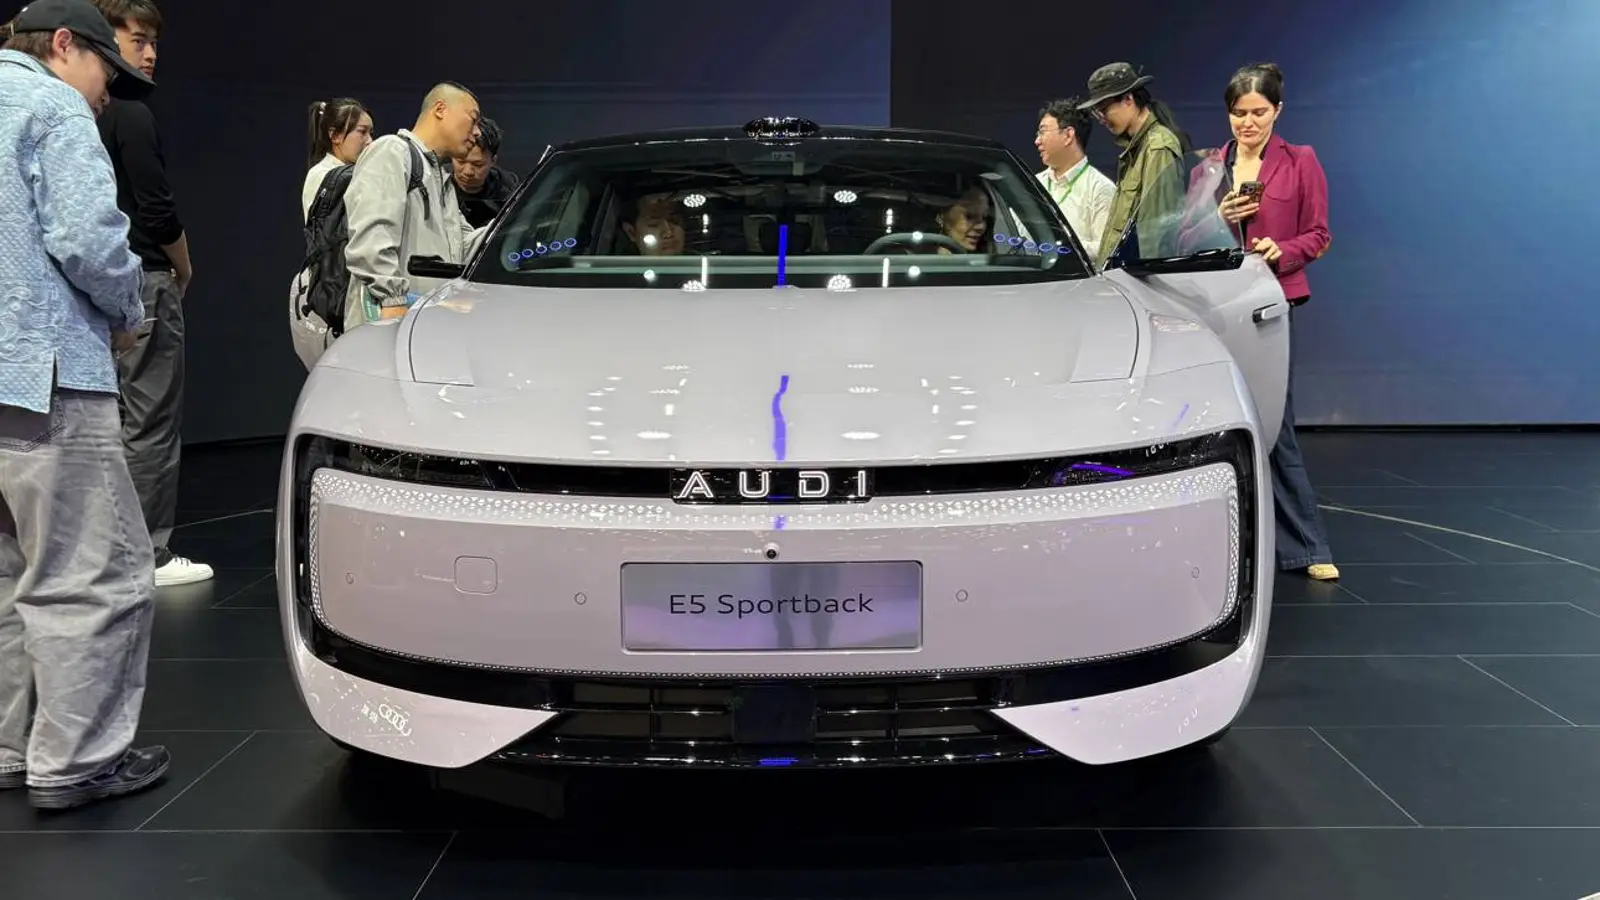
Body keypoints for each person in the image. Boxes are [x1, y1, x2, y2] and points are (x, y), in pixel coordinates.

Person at [0, 0, 172, 810]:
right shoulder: (52, 106)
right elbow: (91, 243)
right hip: (48, 378)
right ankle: (76, 760)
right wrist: (130, 310)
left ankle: (9, 748)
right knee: (92, 573)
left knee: (7, 576)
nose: (108, 93)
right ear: (64, 45)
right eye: (108, 70)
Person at [89, 0, 210, 587]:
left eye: (153, 41)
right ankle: (146, 556)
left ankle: (109, 550)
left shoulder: (78, 116)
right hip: (146, 279)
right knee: (150, 421)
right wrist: (183, 267)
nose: (151, 53)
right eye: (137, 39)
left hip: (96, 283)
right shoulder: (131, 115)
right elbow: (157, 211)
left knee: (110, 420)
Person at [1202, 62, 1338, 581]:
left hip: (1270, 305)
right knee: (1215, 424)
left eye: (1258, 112)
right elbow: (1183, 237)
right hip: (1215, 306)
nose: (1248, 122)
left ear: (1277, 111)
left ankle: (1308, 545)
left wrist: (1282, 250)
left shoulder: (1301, 161)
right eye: (1239, 113)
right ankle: (1228, 548)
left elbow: (1319, 234)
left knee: (1275, 423)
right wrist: (1217, 220)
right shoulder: (1209, 167)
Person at [342, 82, 481, 328]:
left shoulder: (441, 179)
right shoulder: (392, 151)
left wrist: (516, 227)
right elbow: (370, 238)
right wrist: (392, 299)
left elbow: (465, 248)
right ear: (440, 109)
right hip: (388, 325)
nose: (478, 132)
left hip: (423, 326)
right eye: (473, 119)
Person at [1076, 62, 1189, 265]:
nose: (1102, 119)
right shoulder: (1138, 148)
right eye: (1097, 113)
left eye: (1104, 110)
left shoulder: (1158, 147)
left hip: (1142, 277)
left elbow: (1159, 232)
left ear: (1128, 99)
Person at [1033, 97, 1115, 261]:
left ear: (1068, 135)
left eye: (1042, 132)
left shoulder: (1100, 188)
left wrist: (1060, 247)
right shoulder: (1033, 183)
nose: (1037, 141)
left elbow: (1106, 248)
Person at [302, 97, 372, 219]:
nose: (370, 141)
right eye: (362, 132)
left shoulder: (357, 173)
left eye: (371, 133)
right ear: (335, 136)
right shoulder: (321, 175)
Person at [454, 115, 519, 228]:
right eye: (460, 161)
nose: (468, 171)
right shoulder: (437, 184)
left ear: (493, 161)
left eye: (478, 164)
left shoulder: (508, 188)